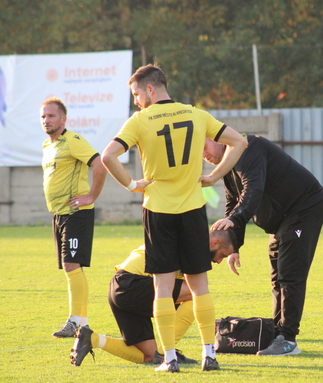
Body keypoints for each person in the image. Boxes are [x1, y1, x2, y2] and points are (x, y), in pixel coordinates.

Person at [101, 64, 247, 373]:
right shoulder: (196, 114)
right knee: (199, 287)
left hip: (158, 211)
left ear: (150, 89)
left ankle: (169, 360)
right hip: (193, 210)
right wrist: (216, 175)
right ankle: (210, 355)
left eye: (137, 94)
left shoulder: (140, 120)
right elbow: (240, 142)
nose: (137, 101)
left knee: (164, 289)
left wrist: (131, 184)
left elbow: (107, 156)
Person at [203, 134, 323, 356]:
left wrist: (235, 219)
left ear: (216, 137)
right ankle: (277, 333)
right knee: (276, 275)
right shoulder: (227, 165)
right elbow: (234, 201)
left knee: (290, 274)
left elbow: (253, 189)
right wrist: (235, 246)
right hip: (282, 220)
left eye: (203, 147)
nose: (204, 155)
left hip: (304, 208)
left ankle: (288, 340)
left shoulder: (250, 148)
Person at [70, 230, 238, 367]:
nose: (218, 261)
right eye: (222, 255)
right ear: (215, 242)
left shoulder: (190, 244)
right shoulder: (192, 245)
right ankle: (169, 352)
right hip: (132, 283)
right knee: (197, 295)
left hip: (119, 287)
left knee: (149, 355)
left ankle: (92, 338)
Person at [41, 97, 106, 338]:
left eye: (51, 116)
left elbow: (99, 164)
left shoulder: (73, 141)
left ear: (63, 119)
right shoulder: (47, 146)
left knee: (71, 265)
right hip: (59, 215)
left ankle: (74, 321)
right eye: (43, 117)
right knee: (71, 268)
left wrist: (91, 196)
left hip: (76, 214)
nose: (46, 120)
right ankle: (82, 323)